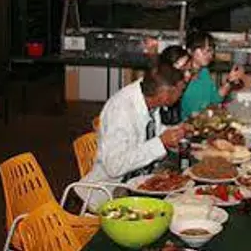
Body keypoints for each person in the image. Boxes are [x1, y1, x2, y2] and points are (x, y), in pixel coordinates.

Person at [78, 64, 188, 210]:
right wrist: (160, 143)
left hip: (135, 185)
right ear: (164, 93)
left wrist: (175, 132)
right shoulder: (121, 110)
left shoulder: (148, 99)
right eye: (180, 91)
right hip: (108, 197)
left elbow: (147, 131)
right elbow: (114, 166)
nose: (181, 95)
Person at [180, 31, 245, 120]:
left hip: (202, 123)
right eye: (203, 49)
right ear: (190, 51)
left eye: (210, 50)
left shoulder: (204, 72)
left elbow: (215, 99)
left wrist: (229, 82)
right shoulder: (182, 75)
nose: (209, 54)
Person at [159, 45, 191, 125]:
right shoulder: (158, 92)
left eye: (189, 70)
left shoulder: (177, 90)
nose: (188, 75)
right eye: (183, 69)